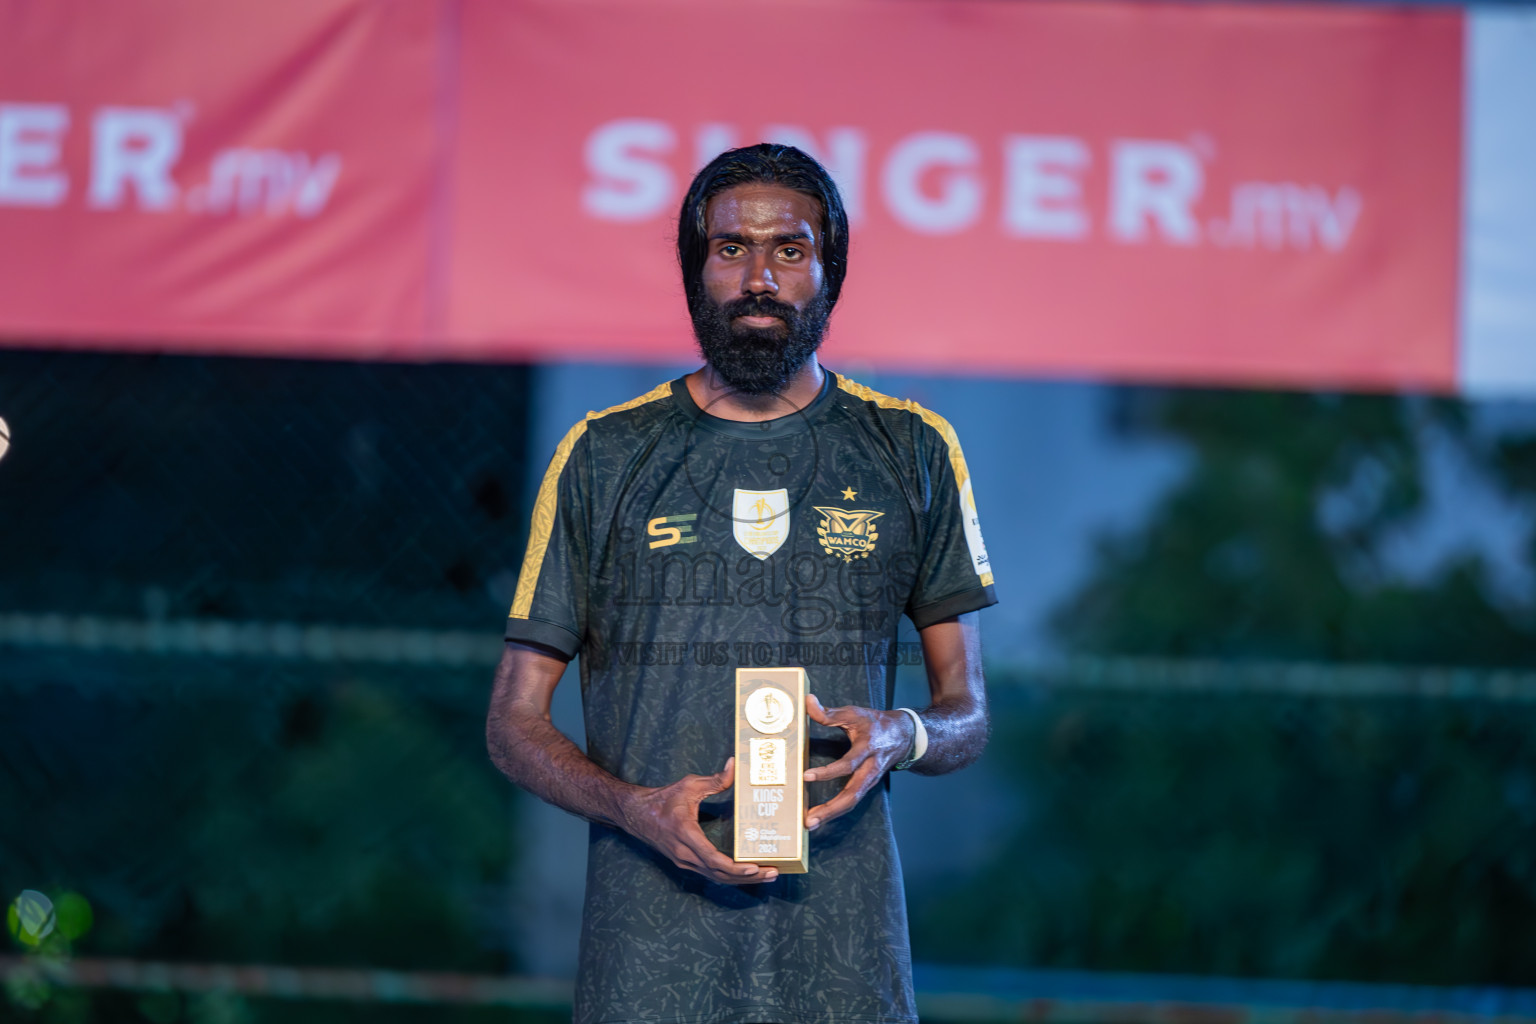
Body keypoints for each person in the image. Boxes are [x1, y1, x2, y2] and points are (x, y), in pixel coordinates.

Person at [487, 143, 996, 1024]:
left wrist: (901, 733)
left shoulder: (912, 450)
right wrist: (636, 808)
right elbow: (512, 722)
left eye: (789, 251)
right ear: (695, 270)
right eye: (732, 250)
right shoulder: (603, 456)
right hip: (647, 963)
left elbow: (970, 713)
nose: (759, 277)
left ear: (830, 272)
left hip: (844, 963)